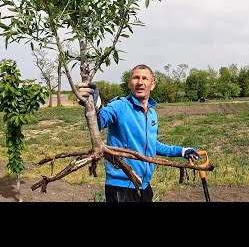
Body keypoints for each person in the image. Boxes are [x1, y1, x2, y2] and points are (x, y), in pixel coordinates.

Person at [78, 64, 200, 202]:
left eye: (145, 78)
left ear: (152, 84)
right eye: (136, 78)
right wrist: (95, 105)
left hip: (144, 186)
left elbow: (151, 145)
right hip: (121, 187)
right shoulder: (120, 106)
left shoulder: (152, 113)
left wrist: (182, 151)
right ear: (130, 83)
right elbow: (99, 122)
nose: (140, 82)